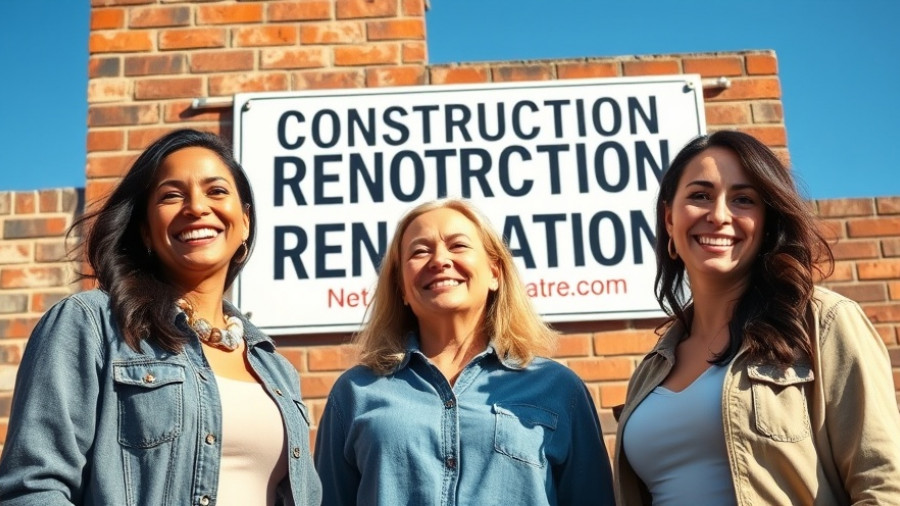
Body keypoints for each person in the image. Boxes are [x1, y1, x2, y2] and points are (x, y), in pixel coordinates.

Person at [0, 129, 321, 506]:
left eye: (216, 191)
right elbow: (33, 489)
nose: (197, 207)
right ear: (145, 231)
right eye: (171, 195)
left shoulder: (276, 369)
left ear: (245, 222)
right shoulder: (91, 325)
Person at [614, 130, 900, 504]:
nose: (718, 215)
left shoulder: (822, 323)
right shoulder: (650, 370)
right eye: (700, 195)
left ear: (767, 223)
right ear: (669, 219)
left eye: (743, 200)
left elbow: (883, 486)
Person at [314, 198, 615, 506]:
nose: (439, 260)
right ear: (402, 288)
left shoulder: (560, 389)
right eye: (420, 250)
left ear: (495, 273)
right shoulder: (354, 393)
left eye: (458, 246)